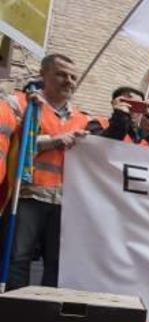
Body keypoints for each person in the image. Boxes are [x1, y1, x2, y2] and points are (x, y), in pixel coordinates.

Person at [4, 54, 90, 289]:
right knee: (18, 258)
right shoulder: (23, 104)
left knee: (57, 263)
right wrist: (54, 140)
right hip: (28, 194)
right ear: (44, 75)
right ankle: (14, 311)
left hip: (64, 201)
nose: (69, 81)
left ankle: (46, 316)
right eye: (61, 74)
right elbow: (16, 143)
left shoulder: (82, 119)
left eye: (73, 77)